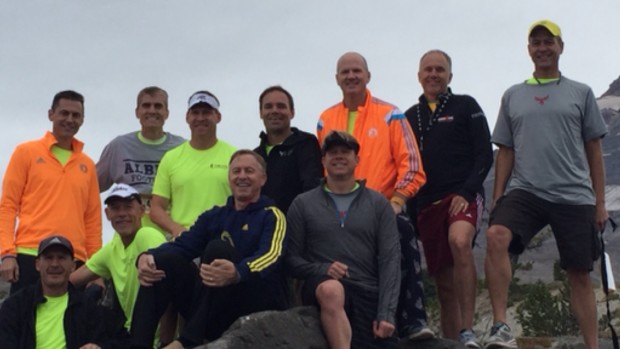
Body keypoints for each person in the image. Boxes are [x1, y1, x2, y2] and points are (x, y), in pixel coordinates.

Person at [484, 20, 607, 349]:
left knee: (579, 274)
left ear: (560, 47)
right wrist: (497, 195)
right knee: (496, 235)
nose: (542, 48)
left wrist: (599, 203)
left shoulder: (580, 92)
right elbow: (505, 149)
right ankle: (500, 327)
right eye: (536, 43)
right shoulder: (513, 95)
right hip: (527, 189)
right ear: (529, 50)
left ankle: (592, 345)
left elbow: (594, 149)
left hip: (573, 193)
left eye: (548, 42)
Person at [317, 51, 432, 340]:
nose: (351, 76)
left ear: (368, 76)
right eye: (345, 72)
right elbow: (323, 168)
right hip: (337, 207)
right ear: (336, 79)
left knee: (403, 230)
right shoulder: (325, 119)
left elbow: (413, 166)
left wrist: (396, 201)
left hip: (381, 205)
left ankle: (413, 319)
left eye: (357, 71)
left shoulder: (390, 114)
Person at [130, 150, 288, 349]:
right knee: (160, 262)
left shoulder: (272, 215)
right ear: (229, 177)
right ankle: (137, 344)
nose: (242, 176)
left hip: (252, 302)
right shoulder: (214, 216)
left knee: (217, 249)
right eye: (236, 171)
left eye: (249, 171)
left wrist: (238, 272)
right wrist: (146, 256)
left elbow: (271, 256)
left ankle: (187, 341)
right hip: (213, 309)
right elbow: (183, 246)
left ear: (263, 178)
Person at [405, 50, 493, 347]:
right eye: (427, 69)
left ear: (449, 76)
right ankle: (452, 341)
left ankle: (468, 330)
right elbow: (405, 167)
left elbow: (484, 154)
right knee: (442, 281)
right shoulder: (408, 117)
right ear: (419, 76)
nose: (433, 74)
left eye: (440, 69)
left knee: (459, 241)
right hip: (425, 204)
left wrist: (467, 191)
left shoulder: (465, 105)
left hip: (462, 194)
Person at [287, 131, 401, 349]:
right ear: (323, 160)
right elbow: (290, 260)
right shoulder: (302, 204)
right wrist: (322, 268)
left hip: (366, 291)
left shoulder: (378, 203)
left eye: (345, 152)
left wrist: (386, 312)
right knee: (331, 290)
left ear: (357, 159)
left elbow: (390, 259)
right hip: (320, 288)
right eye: (332, 153)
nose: (338, 156)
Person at [0, 90, 102, 295]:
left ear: (82, 119)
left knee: (70, 325)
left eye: (76, 115)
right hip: (30, 254)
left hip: (74, 261)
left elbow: (92, 220)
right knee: (24, 324)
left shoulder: (87, 165)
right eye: (64, 113)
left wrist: (96, 268)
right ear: (51, 114)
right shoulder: (26, 152)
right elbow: (8, 205)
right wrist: (6, 253)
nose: (70, 119)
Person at [70, 183, 167, 345]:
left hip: (154, 338)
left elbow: (167, 275)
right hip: (131, 335)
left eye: (128, 207)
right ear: (107, 214)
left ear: (142, 211)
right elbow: (70, 281)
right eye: (115, 208)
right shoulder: (112, 249)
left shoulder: (147, 234)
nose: (122, 214)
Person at [149, 90, 236, 238]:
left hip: (222, 237)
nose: (200, 118)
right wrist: (176, 229)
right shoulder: (171, 158)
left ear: (218, 117)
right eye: (195, 113)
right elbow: (156, 208)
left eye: (207, 112)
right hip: (184, 240)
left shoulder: (234, 156)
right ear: (187, 117)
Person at [96, 86, 185, 229]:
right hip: (130, 233)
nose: (152, 110)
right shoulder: (119, 146)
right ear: (137, 112)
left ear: (166, 113)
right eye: (146, 106)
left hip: (170, 233)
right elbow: (89, 187)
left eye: (158, 106)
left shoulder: (181, 148)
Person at [0, 235, 107, 349]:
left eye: (61, 258)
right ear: (37, 264)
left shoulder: (88, 307)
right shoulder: (15, 306)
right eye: (49, 258)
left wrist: (97, 346)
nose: (55, 264)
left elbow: (115, 339)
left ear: (73, 266)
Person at [254, 85, 323, 214]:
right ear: (261, 113)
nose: (274, 111)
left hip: (297, 227)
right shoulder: (255, 156)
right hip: (262, 230)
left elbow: (313, 189)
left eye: (281, 106)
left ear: (292, 112)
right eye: (268, 106)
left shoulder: (306, 143)